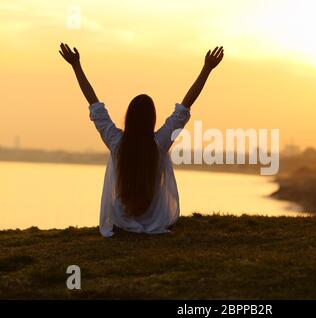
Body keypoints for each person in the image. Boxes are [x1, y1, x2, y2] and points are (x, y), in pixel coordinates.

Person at [59, 43, 224, 237]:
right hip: (154, 220)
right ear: (151, 118)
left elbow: (94, 104)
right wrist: (207, 68)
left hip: (122, 219)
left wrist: (76, 65)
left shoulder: (116, 142)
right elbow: (185, 107)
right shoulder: (159, 143)